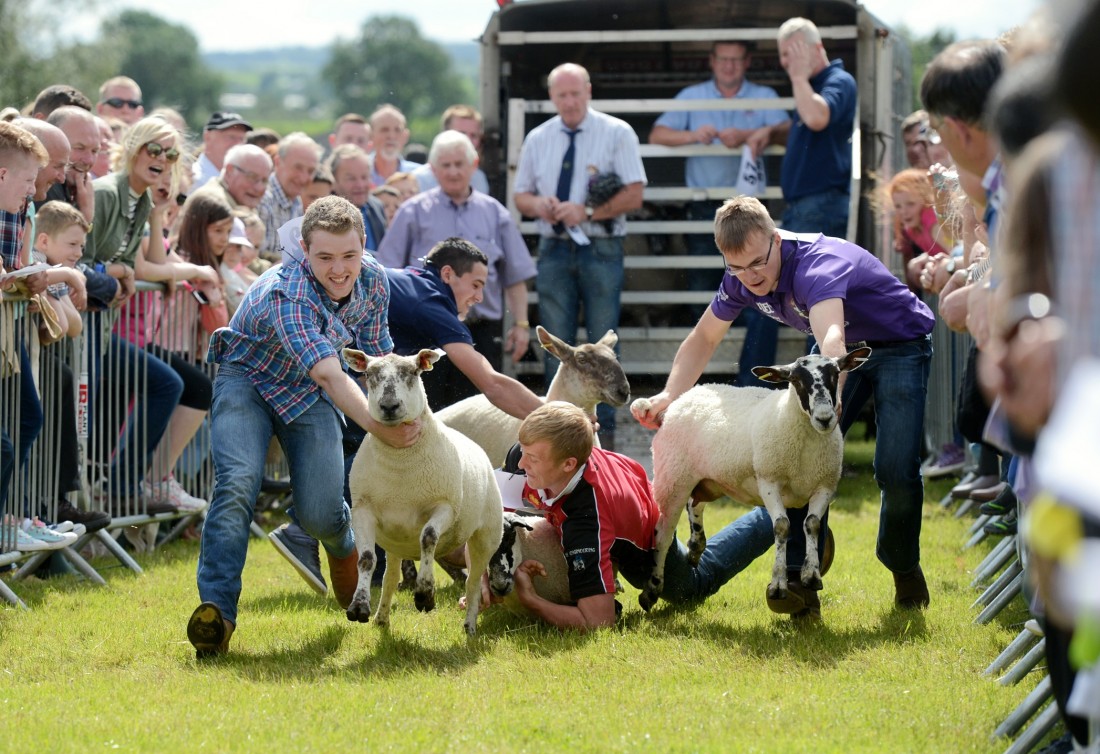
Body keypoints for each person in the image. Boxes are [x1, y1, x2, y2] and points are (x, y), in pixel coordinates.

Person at [632, 196, 935, 616]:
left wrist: (833, 397)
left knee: (895, 468)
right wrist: (669, 396)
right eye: (735, 267)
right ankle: (797, 580)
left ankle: (903, 567)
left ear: (776, 240)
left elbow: (832, 339)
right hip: (831, 360)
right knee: (794, 455)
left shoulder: (817, 265)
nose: (749, 277)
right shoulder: (741, 275)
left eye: (758, 263)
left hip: (897, 346)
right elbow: (704, 339)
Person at [186, 196, 419, 658]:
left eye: (349, 256)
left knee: (320, 514)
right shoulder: (286, 291)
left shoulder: (374, 281)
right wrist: (380, 429)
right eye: (325, 257)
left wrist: (408, 421)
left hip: (306, 394)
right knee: (237, 484)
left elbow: (373, 363)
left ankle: (341, 544)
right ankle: (217, 613)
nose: (339, 269)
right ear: (304, 249)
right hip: (247, 379)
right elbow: (331, 374)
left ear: (364, 247)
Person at [270, 236, 545, 594]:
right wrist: (555, 417)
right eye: (476, 285)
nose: (479, 296)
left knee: (383, 454)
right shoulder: (430, 301)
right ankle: (301, 529)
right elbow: (490, 383)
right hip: (326, 375)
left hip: (328, 373)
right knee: (373, 456)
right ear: (447, 274)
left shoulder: (409, 282)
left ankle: (387, 569)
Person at [489, 401, 792, 630]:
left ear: (569, 464)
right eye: (523, 450)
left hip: (651, 537)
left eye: (533, 457)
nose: (521, 462)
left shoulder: (587, 520)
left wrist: (533, 603)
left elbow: (599, 621)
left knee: (694, 587)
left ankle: (780, 513)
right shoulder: (530, 454)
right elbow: (492, 518)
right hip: (629, 491)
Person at [513, 62, 646, 444]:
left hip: (601, 243)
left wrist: (586, 211)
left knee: (604, 345)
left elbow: (635, 193)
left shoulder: (617, 133)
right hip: (554, 244)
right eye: (561, 95)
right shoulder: (539, 138)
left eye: (575, 93)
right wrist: (542, 205)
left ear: (588, 91)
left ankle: (606, 439)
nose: (569, 101)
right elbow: (521, 197)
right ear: (552, 97)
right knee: (556, 343)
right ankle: (556, 433)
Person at [376, 130, 536, 407]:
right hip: (424, 334)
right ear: (434, 170)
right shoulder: (412, 211)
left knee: (479, 409)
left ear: (473, 166)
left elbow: (515, 274)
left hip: (480, 328)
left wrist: (522, 325)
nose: (452, 172)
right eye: (445, 165)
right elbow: (388, 274)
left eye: (459, 164)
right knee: (429, 410)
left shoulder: (494, 212)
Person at [650, 41, 789, 299]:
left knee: (756, 276)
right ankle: (707, 338)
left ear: (747, 62)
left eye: (736, 60)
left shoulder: (764, 96)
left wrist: (747, 135)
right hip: (705, 205)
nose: (729, 66)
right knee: (704, 278)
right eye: (723, 59)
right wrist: (693, 135)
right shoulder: (692, 96)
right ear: (712, 61)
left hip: (752, 206)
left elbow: (790, 132)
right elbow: (657, 135)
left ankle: (749, 339)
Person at [29, 201, 112, 532]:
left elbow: (72, 325)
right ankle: (44, 505)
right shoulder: (38, 266)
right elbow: (64, 325)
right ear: (44, 241)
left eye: (81, 245)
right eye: (72, 244)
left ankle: (57, 501)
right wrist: (67, 278)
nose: (79, 252)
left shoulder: (54, 271)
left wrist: (66, 282)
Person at [257, 132, 321, 259]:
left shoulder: (296, 202)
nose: (304, 178)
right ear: (277, 163)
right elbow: (251, 259)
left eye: (310, 171)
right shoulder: (262, 199)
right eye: (298, 167)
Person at [411, 104, 491, 195]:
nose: (467, 140)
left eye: (474, 135)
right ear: (444, 133)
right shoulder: (418, 180)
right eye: (461, 133)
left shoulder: (479, 180)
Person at [326, 144, 386, 251]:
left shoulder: (376, 207)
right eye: (351, 178)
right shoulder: (323, 215)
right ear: (333, 181)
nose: (360, 185)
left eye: (364, 177)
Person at [191, 143, 273, 212]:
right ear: (229, 171)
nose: (259, 188)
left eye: (264, 181)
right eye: (252, 177)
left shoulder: (243, 205)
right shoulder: (212, 205)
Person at [191, 112, 253, 190]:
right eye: (231, 137)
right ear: (208, 137)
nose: (238, 144)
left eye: (242, 139)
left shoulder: (241, 181)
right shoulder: (194, 179)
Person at [368, 104, 420, 186]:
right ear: (371, 136)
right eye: (384, 130)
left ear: (405, 136)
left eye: (397, 130)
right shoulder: (358, 174)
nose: (391, 136)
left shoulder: (419, 175)